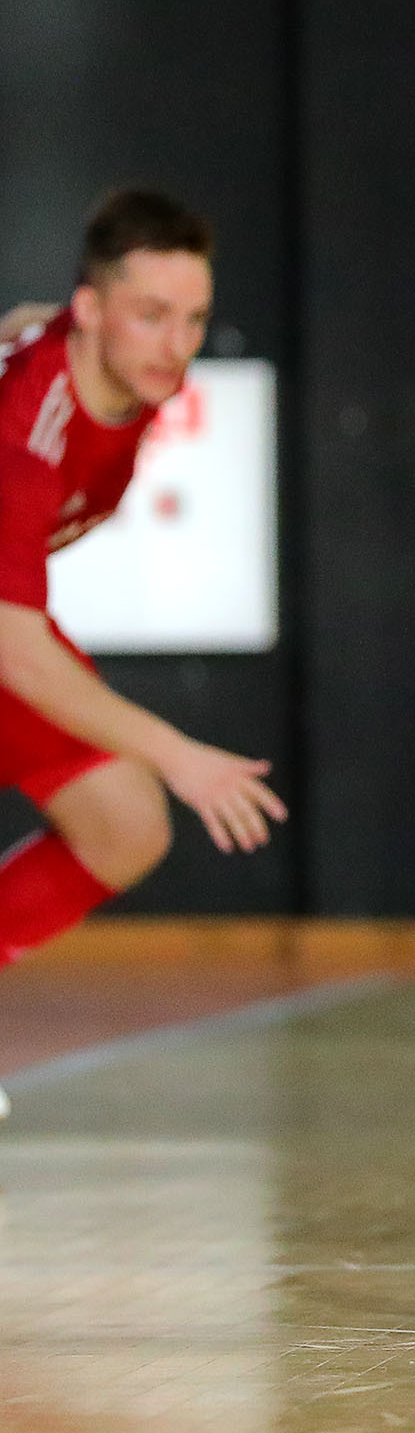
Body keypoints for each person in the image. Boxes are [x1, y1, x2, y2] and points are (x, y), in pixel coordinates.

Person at [0, 191, 287, 978]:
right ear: (90, 308)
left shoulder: (105, 362)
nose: (177, 344)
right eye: (152, 315)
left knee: (123, 824)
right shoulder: (26, 440)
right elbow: (16, 651)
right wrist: (178, 755)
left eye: (194, 319)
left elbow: (25, 323)